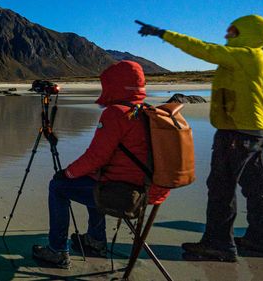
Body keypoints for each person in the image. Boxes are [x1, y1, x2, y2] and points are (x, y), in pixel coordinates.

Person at [137, 15, 263, 261]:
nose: (227, 34)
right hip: (254, 130)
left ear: (248, 33)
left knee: (221, 189)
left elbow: (203, 49)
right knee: (258, 188)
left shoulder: (244, 55)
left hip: (237, 133)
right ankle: (262, 240)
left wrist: (162, 33)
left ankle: (218, 244)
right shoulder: (252, 57)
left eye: (233, 31)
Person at [32, 60, 169, 269]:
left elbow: (96, 157)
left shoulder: (117, 113)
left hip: (123, 193)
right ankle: (96, 240)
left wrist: (67, 173)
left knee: (57, 187)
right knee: (91, 178)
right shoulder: (145, 111)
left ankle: (57, 250)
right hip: (145, 189)